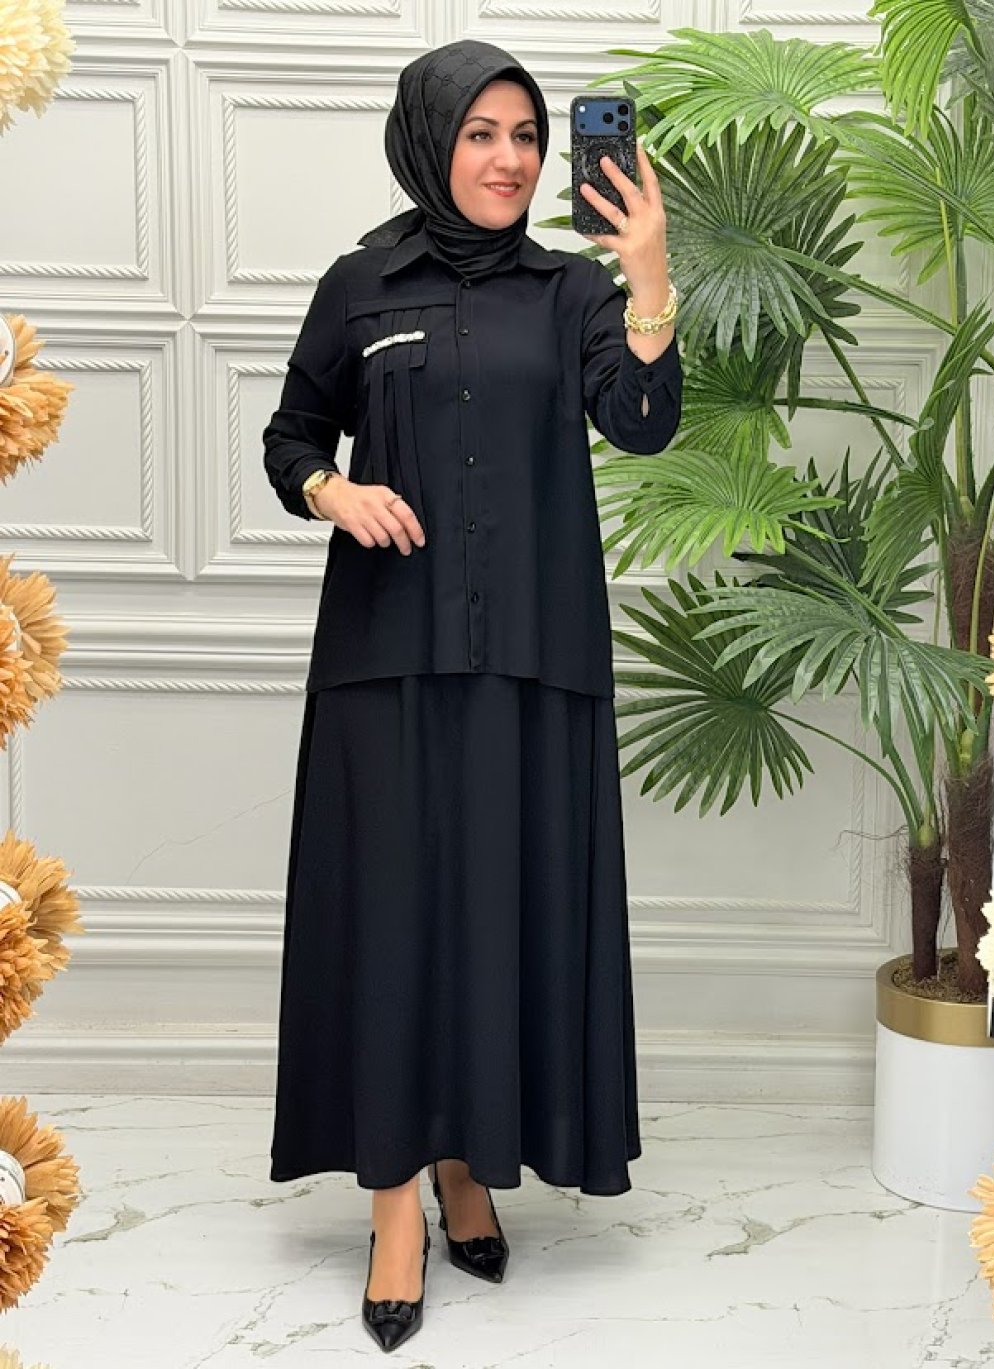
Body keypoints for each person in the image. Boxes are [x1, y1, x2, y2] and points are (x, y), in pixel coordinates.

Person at [262, 36, 682, 1354]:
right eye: (481, 133)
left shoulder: (571, 292)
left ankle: (467, 1165)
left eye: (527, 135)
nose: (509, 159)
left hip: (531, 662)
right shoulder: (360, 286)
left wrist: (649, 274)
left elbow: (644, 419)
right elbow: (290, 436)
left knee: (497, 918)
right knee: (394, 926)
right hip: (385, 660)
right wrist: (334, 491)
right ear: (429, 140)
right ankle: (395, 1204)